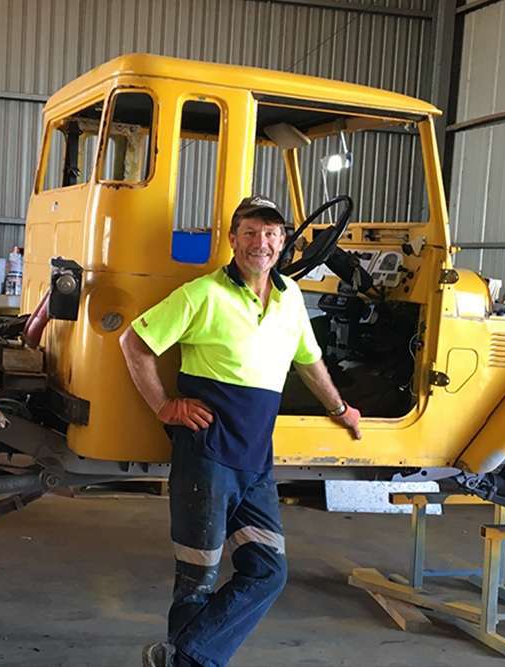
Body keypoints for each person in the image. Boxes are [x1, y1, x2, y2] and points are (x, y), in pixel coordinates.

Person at [119, 195, 362, 667]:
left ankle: (181, 656)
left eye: (271, 234)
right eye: (250, 232)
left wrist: (340, 407)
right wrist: (164, 406)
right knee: (196, 579)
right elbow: (134, 342)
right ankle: (187, 660)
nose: (261, 243)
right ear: (232, 240)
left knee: (268, 571)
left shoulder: (291, 298)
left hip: (255, 463)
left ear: (283, 241)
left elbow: (309, 361)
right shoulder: (202, 294)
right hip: (207, 457)